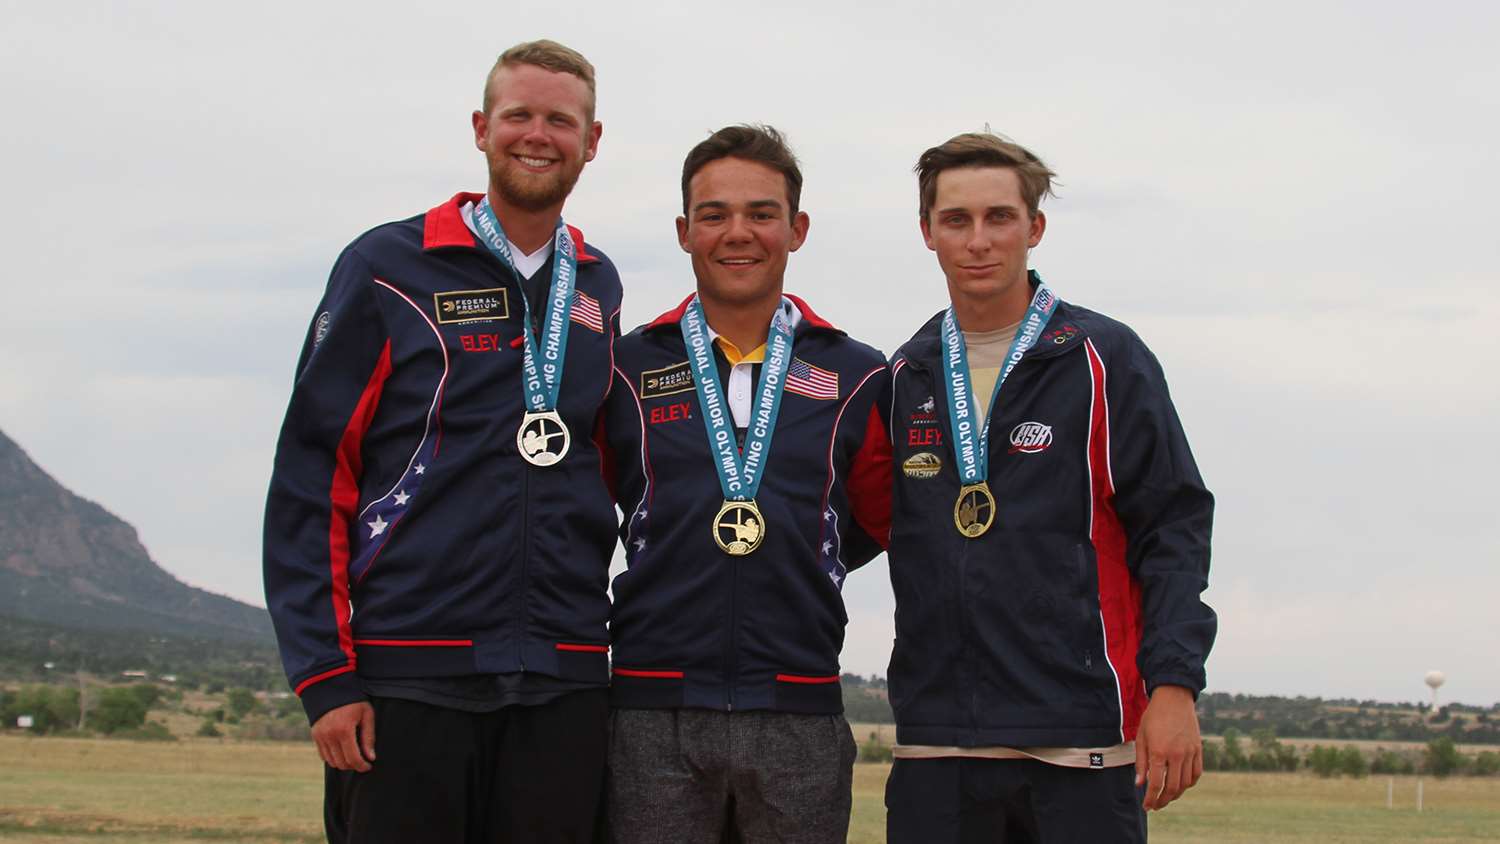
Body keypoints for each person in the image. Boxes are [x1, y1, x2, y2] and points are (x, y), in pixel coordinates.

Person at [263, 40, 620, 844]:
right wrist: (324, 674)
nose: (538, 134)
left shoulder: (598, 284)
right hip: (408, 678)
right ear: (480, 128)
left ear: (591, 142)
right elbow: (312, 475)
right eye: (518, 114)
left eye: (560, 120)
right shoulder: (389, 267)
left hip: (562, 680)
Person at [883, 132, 1216, 842]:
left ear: (1034, 227)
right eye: (957, 220)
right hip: (937, 742)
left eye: (999, 217)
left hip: (1079, 736)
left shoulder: (1105, 359)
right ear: (927, 233)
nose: (979, 240)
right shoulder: (904, 375)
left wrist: (1175, 685)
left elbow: (1174, 528)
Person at [600, 125, 892, 843]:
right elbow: (583, 509)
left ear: (797, 229)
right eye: (714, 214)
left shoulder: (859, 374)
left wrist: (796, 554)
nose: (739, 233)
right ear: (683, 230)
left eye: (762, 213)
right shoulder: (624, 368)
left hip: (798, 708)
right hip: (651, 712)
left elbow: (876, 519)